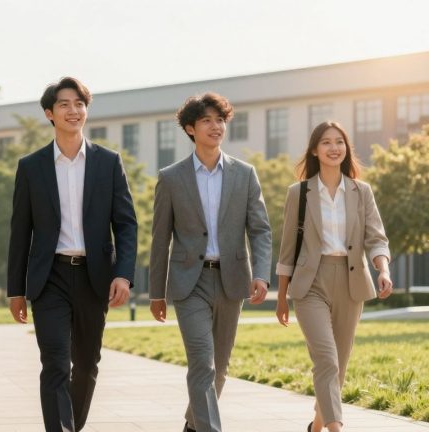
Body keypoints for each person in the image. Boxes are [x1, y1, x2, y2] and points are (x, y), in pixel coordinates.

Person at [7, 76, 138, 431]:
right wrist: (15, 290)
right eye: (64, 104)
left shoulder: (108, 163)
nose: (73, 110)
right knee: (54, 363)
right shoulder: (31, 167)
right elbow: (21, 232)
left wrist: (123, 274)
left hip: (95, 277)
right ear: (50, 113)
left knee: (86, 364)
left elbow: (126, 223)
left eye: (79, 103)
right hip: (49, 278)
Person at [148, 92, 272, 432]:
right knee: (201, 362)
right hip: (190, 281)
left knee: (219, 367)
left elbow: (260, 230)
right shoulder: (171, 178)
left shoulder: (244, 174)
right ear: (191, 128)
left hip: (232, 280)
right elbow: (161, 240)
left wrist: (261, 274)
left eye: (220, 120)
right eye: (207, 120)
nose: (216, 127)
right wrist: (156, 293)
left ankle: (194, 425)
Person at [275, 121, 392, 432]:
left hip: (351, 282)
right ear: (315, 149)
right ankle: (336, 427)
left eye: (339, 142)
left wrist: (383, 269)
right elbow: (288, 249)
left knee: (339, 363)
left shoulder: (360, 191)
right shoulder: (298, 193)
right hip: (309, 283)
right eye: (326, 142)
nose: (333, 147)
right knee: (326, 359)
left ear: (346, 148)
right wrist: (282, 297)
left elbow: (376, 237)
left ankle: (316, 426)